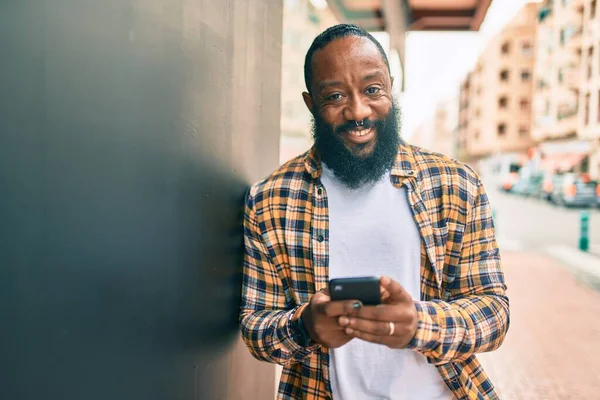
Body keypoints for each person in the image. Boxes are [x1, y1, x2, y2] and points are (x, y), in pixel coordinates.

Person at [239, 23, 509, 400]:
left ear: (391, 87)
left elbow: (494, 313)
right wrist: (305, 327)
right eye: (334, 96)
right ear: (310, 104)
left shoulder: (457, 183)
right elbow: (255, 328)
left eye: (372, 89)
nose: (358, 111)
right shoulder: (270, 199)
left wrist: (419, 323)